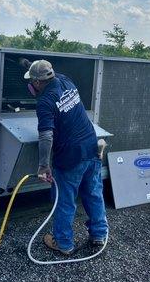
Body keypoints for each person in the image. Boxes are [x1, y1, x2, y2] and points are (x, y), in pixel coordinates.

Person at [24, 59, 108, 255]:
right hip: (91, 146)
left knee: (64, 201)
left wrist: (43, 166)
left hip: (70, 157)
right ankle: (99, 235)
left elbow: (46, 135)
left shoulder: (44, 102)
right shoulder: (65, 80)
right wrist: (29, 65)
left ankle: (63, 243)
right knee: (93, 194)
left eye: (32, 82)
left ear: (36, 83)